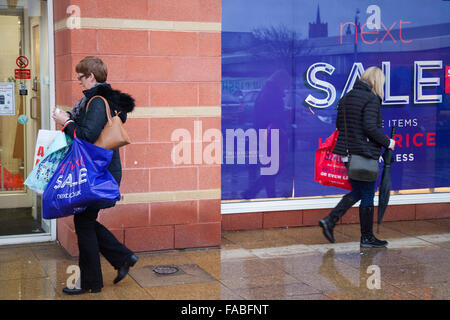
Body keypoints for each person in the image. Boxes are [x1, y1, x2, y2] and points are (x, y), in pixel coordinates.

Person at [52, 56, 138, 294]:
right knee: (86, 221)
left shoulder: (98, 101)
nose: (78, 81)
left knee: (84, 222)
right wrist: (71, 118)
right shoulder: (97, 101)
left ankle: (93, 280)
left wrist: (66, 121)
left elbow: (87, 135)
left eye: (80, 77)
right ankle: (121, 258)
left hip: (98, 173)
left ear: (91, 76)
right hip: (99, 170)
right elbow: (89, 127)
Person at [319, 66, 396, 248]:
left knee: (359, 192)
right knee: (367, 192)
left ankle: (330, 220)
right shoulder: (371, 99)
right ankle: (366, 237)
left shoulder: (346, 97)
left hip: (348, 154)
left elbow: (339, 124)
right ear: (377, 82)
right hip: (362, 154)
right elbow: (370, 127)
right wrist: (387, 142)